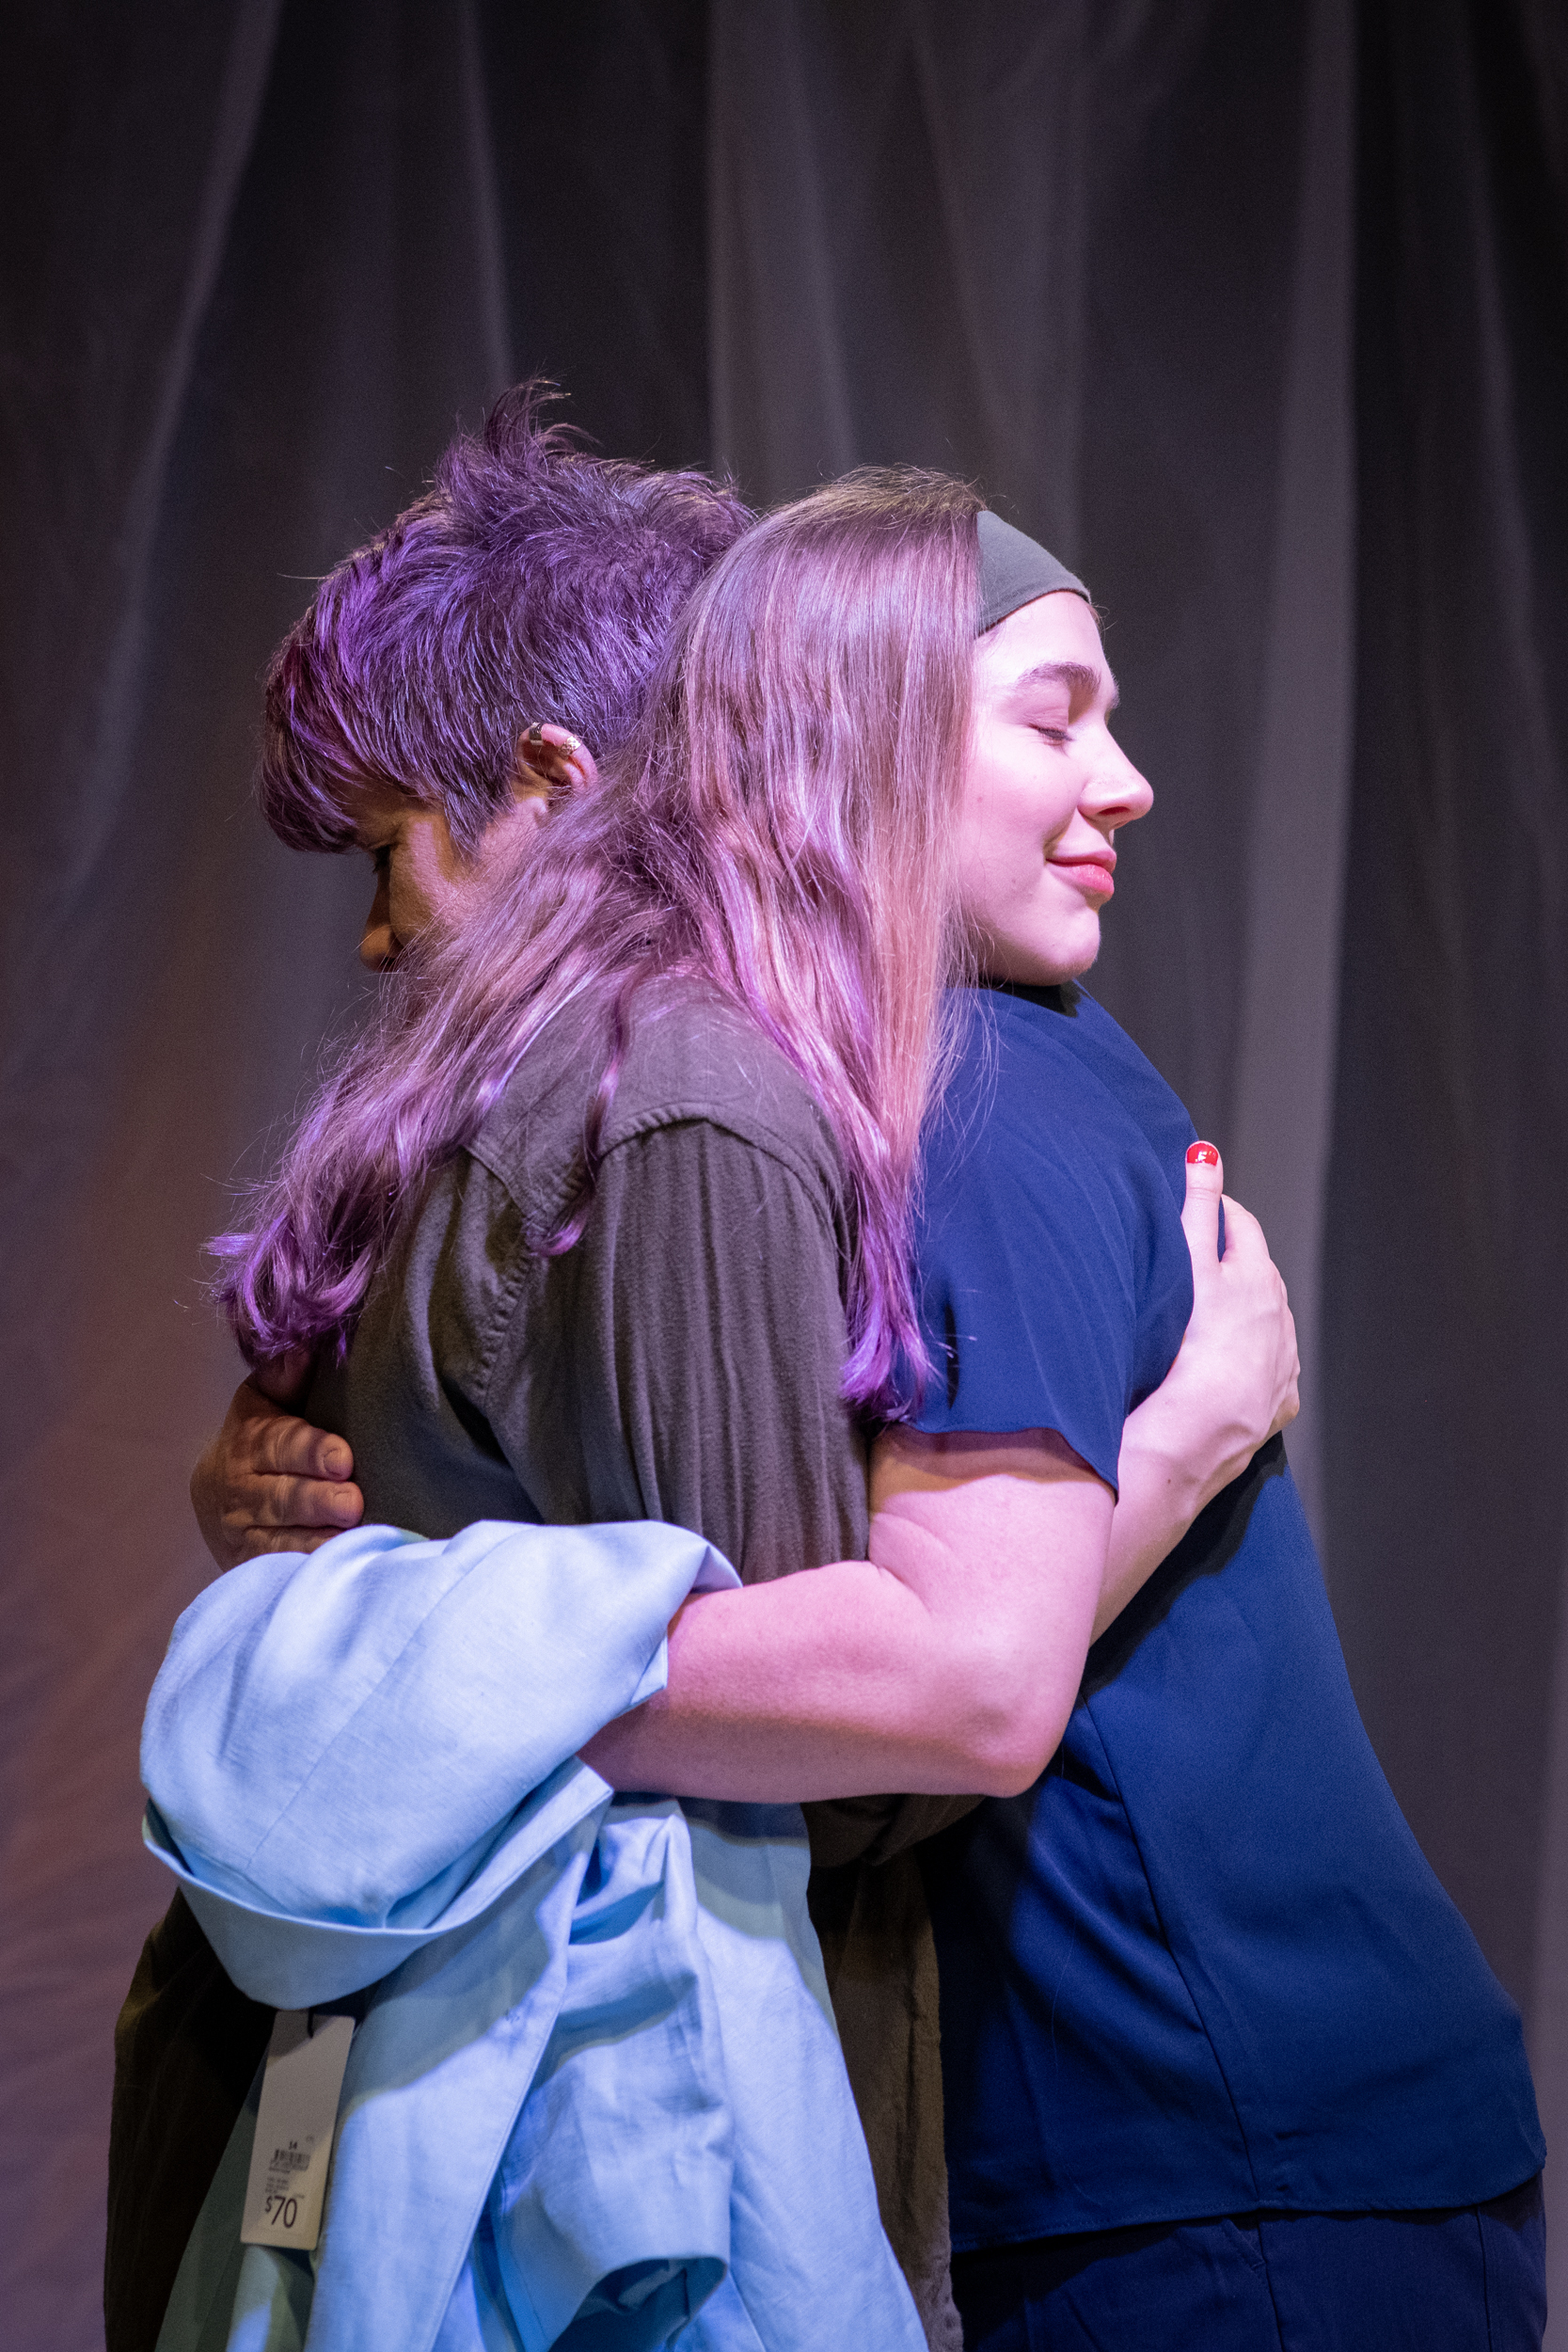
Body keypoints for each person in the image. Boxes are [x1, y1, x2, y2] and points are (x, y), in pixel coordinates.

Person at [129, 463, 1299, 2352]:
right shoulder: (674, 1098)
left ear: (551, 783)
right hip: (586, 2181)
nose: (371, 935)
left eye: (383, 851)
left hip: (397, 2112)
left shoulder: (648, 1096)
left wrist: (377, 1653)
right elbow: (832, 1782)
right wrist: (1176, 1447)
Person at [578, 501, 1547, 2349]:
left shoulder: (975, 1091)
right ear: (858, 735)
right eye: (1055, 717)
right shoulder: (995, 1056)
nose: (1129, 779)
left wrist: (474, 1682)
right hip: (1277, 2152)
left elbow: (975, 1678)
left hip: (1223, 2173)